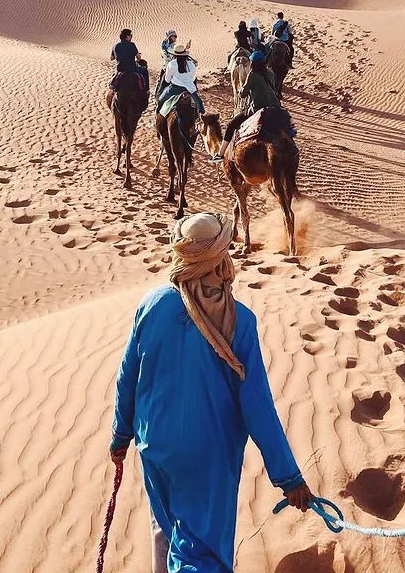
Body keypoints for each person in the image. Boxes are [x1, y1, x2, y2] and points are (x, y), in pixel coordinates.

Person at [110, 213, 311, 573]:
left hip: (153, 446)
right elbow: (257, 406)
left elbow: (128, 376)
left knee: (168, 530)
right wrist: (288, 477)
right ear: (218, 258)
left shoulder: (152, 304)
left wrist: (120, 436)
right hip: (207, 458)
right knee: (201, 556)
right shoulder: (238, 321)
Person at [211, 50, 281, 162]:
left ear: (252, 62)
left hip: (258, 109)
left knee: (231, 125)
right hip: (275, 107)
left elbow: (243, 94)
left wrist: (239, 91)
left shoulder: (252, 75)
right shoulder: (270, 73)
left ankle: (220, 154)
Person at [157, 43, 205, 114]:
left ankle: (158, 117)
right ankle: (200, 118)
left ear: (174, 54)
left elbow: (167, 80)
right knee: (200, 106)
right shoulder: (191, 64)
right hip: (189, 90)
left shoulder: (171, 64)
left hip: (174, 89)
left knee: (160, 101)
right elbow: (193, 78)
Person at [107, 28, 149, 108]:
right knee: (144, 71)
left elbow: (111, 58)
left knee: (114, 76)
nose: (131, 37)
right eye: (131, 35)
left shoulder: (115, 46)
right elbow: (139, 58)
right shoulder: (132, 45)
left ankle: (112, 89)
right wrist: (137, 54)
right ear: (127, 36)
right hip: (132, 69)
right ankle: (146, 90)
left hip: (120, 70)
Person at [156, 30, 192, 99]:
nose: (175, 38)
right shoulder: (164, 45)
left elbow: (178, 53)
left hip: (177, 65)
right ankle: (158, 97)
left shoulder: (174, 45)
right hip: (167, 67)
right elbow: (167, 54)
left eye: (176, 36)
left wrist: (185, 48)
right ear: (169, 37)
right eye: (174, 36)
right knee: (162, 83)